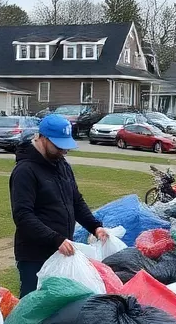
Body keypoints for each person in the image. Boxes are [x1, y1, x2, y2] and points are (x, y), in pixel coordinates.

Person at [9, 113, 108, 296]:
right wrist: (55, 239)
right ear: (43, 139)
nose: (64, 151)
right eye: (59, 146)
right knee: (35, 305)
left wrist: (95, 227)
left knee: (61, 304)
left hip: (62, 251)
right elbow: (23, 215)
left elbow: (75, 201)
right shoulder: (25, 171)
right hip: (35, 256)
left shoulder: (62, 165)